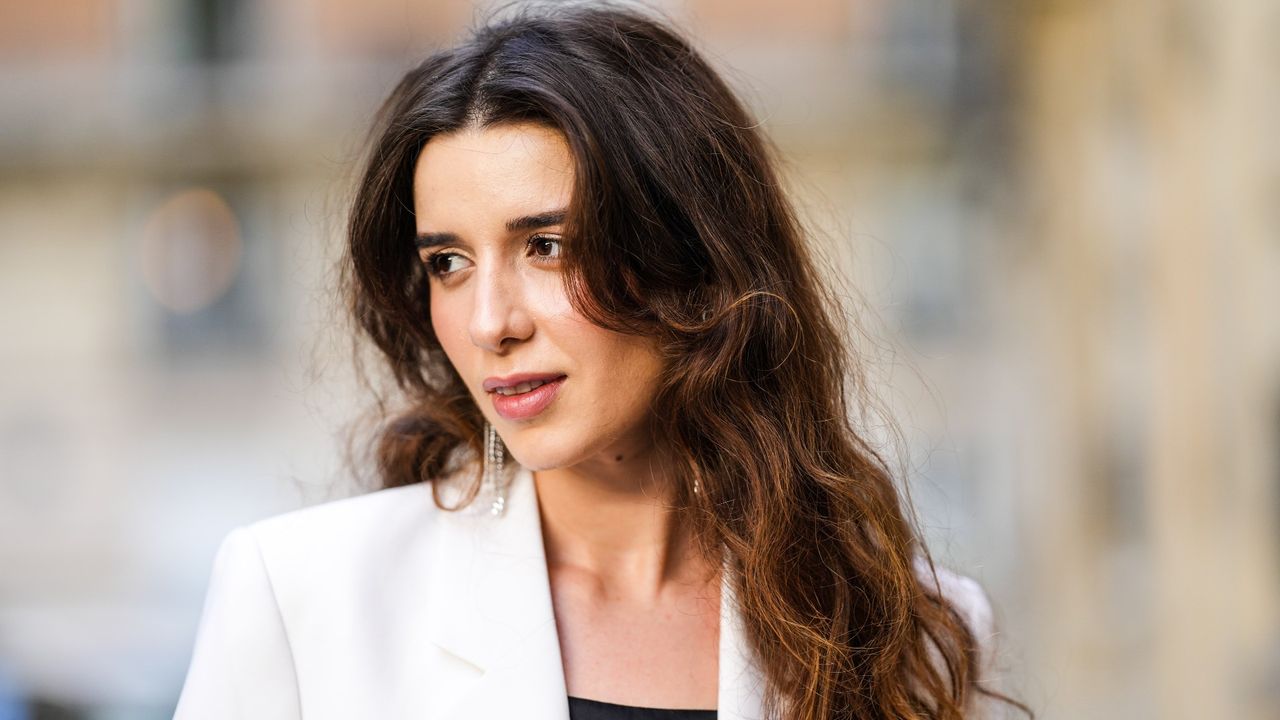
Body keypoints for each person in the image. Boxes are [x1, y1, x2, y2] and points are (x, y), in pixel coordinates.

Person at [173, 3, 1030, 719]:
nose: (489, 323)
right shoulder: (301, 596)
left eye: (545, 246)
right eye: (448, 263)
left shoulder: (914, 635)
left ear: (691, 256)